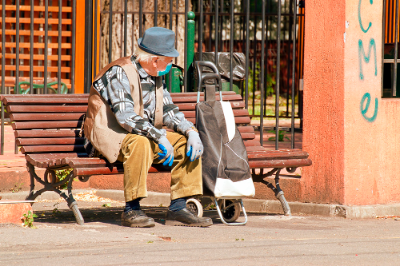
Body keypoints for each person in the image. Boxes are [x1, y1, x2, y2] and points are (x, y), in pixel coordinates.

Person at [83, 27, 212, 228]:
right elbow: (126, 117)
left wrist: (191, 131)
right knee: (141, 143)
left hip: (142, 134)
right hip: (110, 135)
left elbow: (169, 111)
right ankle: (132, 209)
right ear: (155, 60)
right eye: (169, 60)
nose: (171, 65)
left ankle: (178, 207)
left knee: (185, 143)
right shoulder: (119, 72)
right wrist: (158, 136)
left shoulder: (155, 75)